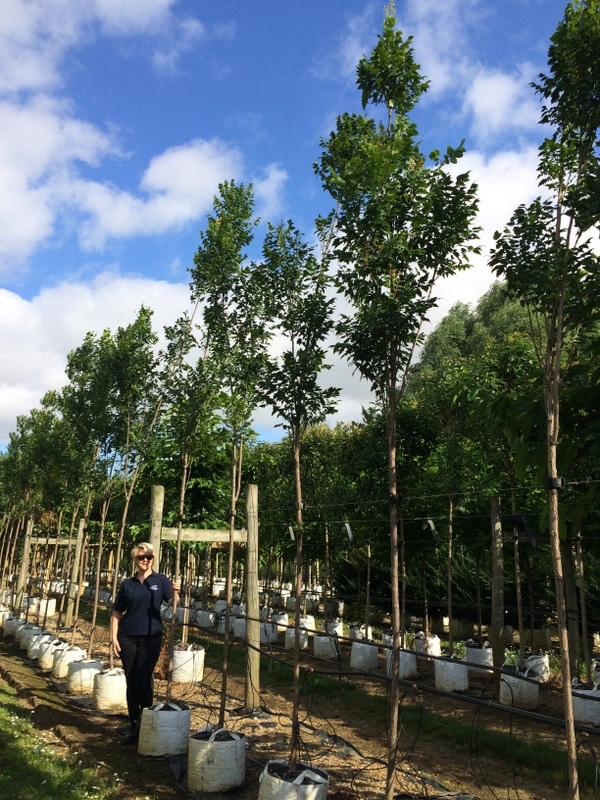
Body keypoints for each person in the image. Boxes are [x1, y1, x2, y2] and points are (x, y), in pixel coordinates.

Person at [110, 542, 180, 744]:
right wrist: (114, 637)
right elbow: (116, 611)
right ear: (135, 559)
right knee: (131, 680)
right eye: (141, 557)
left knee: (143, 678)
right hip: (128, 636)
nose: (145, 560)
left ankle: (147, 719)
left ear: (153, 559)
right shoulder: (128, 584)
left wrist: (177, 591)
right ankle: (134, 723)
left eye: (148, 556)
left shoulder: (161, 580)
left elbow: (173, 602)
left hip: (151, 636)